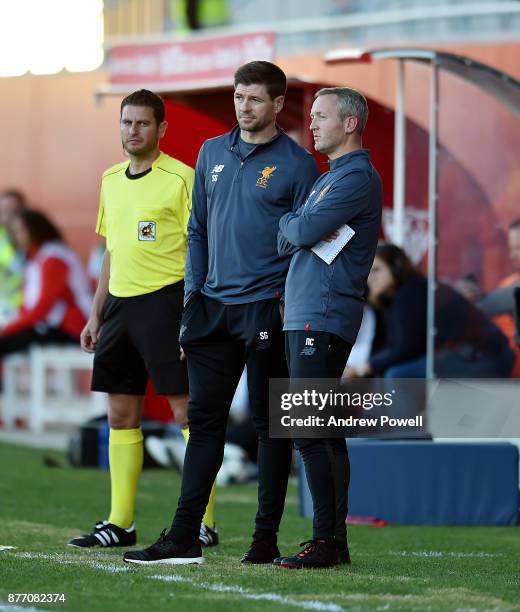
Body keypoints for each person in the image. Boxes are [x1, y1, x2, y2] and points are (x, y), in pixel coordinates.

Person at [123, 61, 320, 565]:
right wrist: (192, 299)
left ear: (277, 104)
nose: (243, 107)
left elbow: (306, 245)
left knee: (269, 426)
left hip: (265, 311)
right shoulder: (211, 151)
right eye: (238, 96)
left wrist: (281, 303)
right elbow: (197, 232)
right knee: (203, 423)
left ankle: (264, 540)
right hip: (211, 309)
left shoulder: (299, 165)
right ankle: (185, 535)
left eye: (254, 99)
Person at [68, 89, 212, 549]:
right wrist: (96, 314)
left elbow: (200, 251)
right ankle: (120, 522)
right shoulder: (110, 179)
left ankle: (202, 523)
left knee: (186, 412)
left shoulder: (181, 178)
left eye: (143, 123)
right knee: (119, 414)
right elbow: (112, 252)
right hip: (119, 310)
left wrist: (194, 314)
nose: (134, 131)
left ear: (161, 129)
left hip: (168, 304)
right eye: (127, 123)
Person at [274, 87, 382, 568]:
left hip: (322, 312)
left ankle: (324, 541)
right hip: (308, 311)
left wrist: (295, 224)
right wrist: (297, 225)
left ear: (350, 124)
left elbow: (297, 232)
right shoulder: (330, 177)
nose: (311, 124)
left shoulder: (356, 176)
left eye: (320, 116)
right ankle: (333, 542)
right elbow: (294, 234)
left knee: (309, 431)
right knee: (324, 431)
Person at [349, 243, 514, 379]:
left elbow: (407, 349)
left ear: (397, 268)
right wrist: (365, 367)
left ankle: (408, 421)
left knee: (397, 375)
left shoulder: (411, 291)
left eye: (376, 270)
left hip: (485, 356)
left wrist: (366, 367)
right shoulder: (392, 299)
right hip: (465, 355)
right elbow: (394, 346)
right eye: (368, 272)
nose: (371, 278)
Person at [0, 209, 91, 357]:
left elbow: (42, 307)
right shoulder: (36, 256)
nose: (17, 237)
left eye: (20, 231)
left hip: (74, 326)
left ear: (35, 229)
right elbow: (28, 305)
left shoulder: (54, 257)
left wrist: (7, 329)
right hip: (50, 324)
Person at [0, 189, 27, 323]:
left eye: (15, 211)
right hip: (5, 307)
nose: (8, 216)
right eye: (4, 210)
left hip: (28, 306)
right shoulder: (2, 239)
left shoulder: (32, 237)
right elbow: (19, 267)